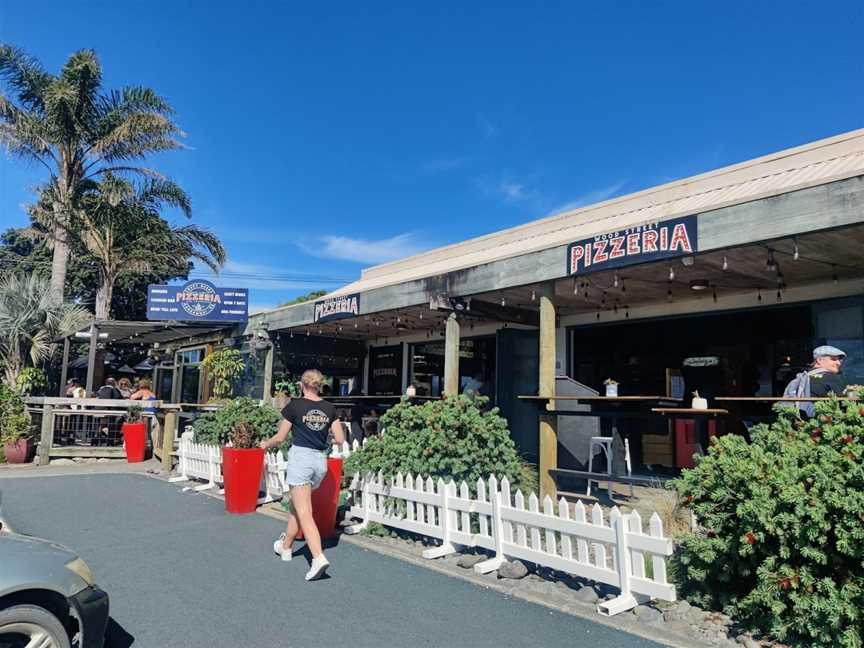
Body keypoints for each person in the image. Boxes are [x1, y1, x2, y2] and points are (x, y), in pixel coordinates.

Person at [259, 369, 346, 581]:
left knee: (305, 511)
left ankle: (318, 558)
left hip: (301, 460)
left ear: (301, 384)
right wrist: (322, 439)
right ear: (319, 385)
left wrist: (265, 444)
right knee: (297, 506)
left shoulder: (295, 406)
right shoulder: (329, 407)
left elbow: (280, 437)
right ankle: (286, 547)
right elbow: (341, 438)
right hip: (319, 462)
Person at [783, 345, 847, 416]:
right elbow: (844, 404)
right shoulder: (831, 377)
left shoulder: (802, 377)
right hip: (823, 423)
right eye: (833, 359)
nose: (839, 363)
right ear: (819, 360)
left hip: (800, 421)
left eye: (839, 360)